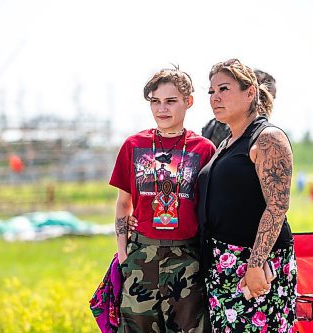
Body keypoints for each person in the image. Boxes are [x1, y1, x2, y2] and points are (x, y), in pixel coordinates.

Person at [110, 66, 216, 332]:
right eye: (155, 102)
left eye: (171, 101)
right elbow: (124, 204)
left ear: (188, 102)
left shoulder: (203, 149)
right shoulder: (134, 145)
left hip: (187, 258)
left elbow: (209, 209)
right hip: (141, 256)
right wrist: (124, 254)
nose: (162, 109)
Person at [198, 58, 297, 332]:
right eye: (211, 92)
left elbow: (277, 207)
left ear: (250, 92)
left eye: (224, 89)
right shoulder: (225, 143)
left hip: (256, 266)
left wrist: (255, 264)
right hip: (221, 267)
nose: (215, 97)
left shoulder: (267, 138)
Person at [201, 69, 277, 148]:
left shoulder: (265, 133)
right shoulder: (233, 127)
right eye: (211, 92)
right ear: (251, 92)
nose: (271, 100)